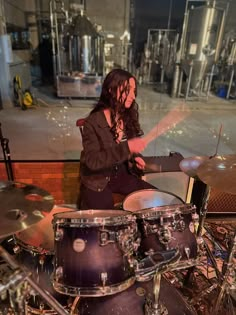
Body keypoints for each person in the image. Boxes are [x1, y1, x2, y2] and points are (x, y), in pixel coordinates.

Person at [79, 68, 157, 210]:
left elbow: (130, 149)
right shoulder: (93, 122)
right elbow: (92, 161)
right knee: (107, 221)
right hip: (98, 179)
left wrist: (135, 157)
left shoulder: (128, 117)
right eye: (128, 90)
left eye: (134, 91)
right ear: (111, 89)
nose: (133, 96)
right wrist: (127, 148)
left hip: (121, 173)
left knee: (155, 197)